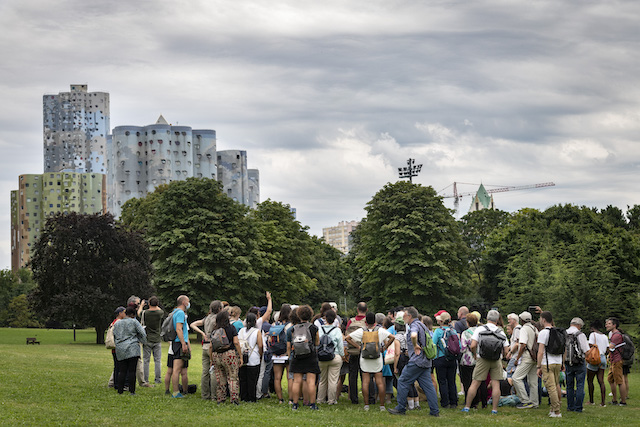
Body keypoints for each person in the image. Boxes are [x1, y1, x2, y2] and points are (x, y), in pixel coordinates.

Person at [387, 307, 440, 417]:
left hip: (417, 361)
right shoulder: (422, 325)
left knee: (402, 381)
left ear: (409, 316)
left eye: (404, 315)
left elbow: (413, 335)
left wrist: (415, 345)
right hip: (426, 360)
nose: (403, 317)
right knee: (428, 386)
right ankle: (435, 411)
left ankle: (401, 408)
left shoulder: (414, 326)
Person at [461, 309, 509, 415]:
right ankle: (494, 409)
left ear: (487, 318)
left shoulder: (480, 329)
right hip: (496, 360)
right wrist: (503, 357)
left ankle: (467, 407)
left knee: (475, 383)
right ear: (497, 320)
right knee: (496, 385)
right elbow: (506, 350)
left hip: (482, 358)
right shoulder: (500, 331)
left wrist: (475, 355)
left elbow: (473, 345)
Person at [346, 312, 395, 411]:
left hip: (365, 358)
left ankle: (366, 405)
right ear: (375, 321)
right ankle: (381, 405)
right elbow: (392, 337)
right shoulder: (380, 330)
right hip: (377, 358)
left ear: (366, 321)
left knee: (365, 381)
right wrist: (384, 347)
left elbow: (348, 338)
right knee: (380, 382)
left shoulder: (361, 331)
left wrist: (358, 347)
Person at [288, 305, 321, 410]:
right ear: (311, 315)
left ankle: (295, 404)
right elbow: (317, 342)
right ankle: (312, 404)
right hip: (310, 356)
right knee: (311, 381)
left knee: (296, 381)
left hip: (297, 356)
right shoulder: (313, 328)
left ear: (298, 315)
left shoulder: (294, 328)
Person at [190, 300, 223, 401]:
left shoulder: (206, 318)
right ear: (219, 309)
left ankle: (205, 395)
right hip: (213, 347)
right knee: (214, 370)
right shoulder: (218, 319)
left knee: (205, 372)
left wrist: (202, 333)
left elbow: (193, 324)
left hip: (205, 346)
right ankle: (214, 395)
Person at [210, 309, 243, 404]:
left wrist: (211, 359)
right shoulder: (231, 328)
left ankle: (220, 398)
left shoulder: (214, 329)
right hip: (229, 355)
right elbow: (236, 342)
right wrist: (240, 356)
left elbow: (211, 346)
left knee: (220, 378)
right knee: (232, 377)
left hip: (216, 355)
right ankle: (234, 399)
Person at [112, 306, 147, 395]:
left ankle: (120, 390)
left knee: (122, 370)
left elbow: (114, 335)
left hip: (120, 349)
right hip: (133, 348)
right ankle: (132, 391)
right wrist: (142, 341)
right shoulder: (134, 322)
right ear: (133, 314)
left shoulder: (117, 323)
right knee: (132, 371)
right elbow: (142, 333)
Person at [537, 311, 563, 418]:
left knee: (550, 387)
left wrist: (538, 366)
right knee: (556, 385)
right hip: (558, 361)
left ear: (543, 319)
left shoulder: (543, 332)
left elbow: (540, 351)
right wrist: (563, 362)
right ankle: (553, 409)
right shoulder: (558, 331)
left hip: (547, 362)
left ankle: (557, 411)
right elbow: (564, 349)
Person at [317, 309, 345, 405]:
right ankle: (331, 400)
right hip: (334, 356)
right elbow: (340, 345)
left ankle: (320, 399)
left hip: (321, 356)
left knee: (322, 380)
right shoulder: (337, 330)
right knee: (333, 380)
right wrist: (342, 355)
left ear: (325, 318)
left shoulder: (320, 329)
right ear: (334, 319)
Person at [432, 311, 459, 408]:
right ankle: (454, 402)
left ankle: (445, 402)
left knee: (442, 381)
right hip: (452, 358)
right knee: (451, 381)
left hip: (441, 357)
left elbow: (433, 343)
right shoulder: (453, 331)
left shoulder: (438, 331)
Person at [513, 311, 539, 409]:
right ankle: (534, 402)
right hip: (535, 357)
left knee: (516, 378)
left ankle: (525, 400)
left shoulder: (524, 329)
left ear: (522, 320)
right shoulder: (534, 328)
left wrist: (518, 358)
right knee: (533, 382)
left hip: (527, 357)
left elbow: (523, 344)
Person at [459, 313, 486, 408]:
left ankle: (471, 402)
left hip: (468, 360)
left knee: (468, 382)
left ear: (467, 323)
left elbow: (462, 348)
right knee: (481, 381)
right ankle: (483, 402)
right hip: (481, 359)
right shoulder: (481, 332)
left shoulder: (465, 333)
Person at [565, 317, 589, 412]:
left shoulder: (564, 333)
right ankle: (578, 407)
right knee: (580, 385)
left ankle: (570, 406)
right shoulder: (580, 334)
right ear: (579, 325)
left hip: (567, 362)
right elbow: (586, 350)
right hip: (579, 362)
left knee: (569, 386)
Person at [169, 295, 191, 398]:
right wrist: (183, 343)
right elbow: (179, 329)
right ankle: (176, 392)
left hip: (177, 342)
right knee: (177, 369)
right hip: (179, 343)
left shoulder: (174, 312)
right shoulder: (180, 313)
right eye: (188, 301)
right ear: (184, 303)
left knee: (182, 369)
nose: (189, 303)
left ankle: (184, 390)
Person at [346, 302, 368, 404]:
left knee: (352, 375)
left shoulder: (351, 321)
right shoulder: (367, 321)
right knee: (364, 375)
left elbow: (346, 335)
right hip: (365, 352)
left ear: (357, 309)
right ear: (366, 310)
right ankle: (367, 397)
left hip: (352, 351)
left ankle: (353, 398)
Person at [238, 312, 263, 402]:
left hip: (242, 357)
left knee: (243, 379)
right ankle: (251, 397)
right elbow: (260, 345)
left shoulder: (241, 331)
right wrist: (260, 355)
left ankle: (243, 396)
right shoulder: (257, 331)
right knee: (252, 379)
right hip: (253, 357)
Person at [271, 303, 293, 404]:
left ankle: (280, 399)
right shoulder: (291, 325)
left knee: (277, 378)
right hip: (287, 353)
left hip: (276, 354)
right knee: (290, 377)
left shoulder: (274, 324)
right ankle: (291, 399)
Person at [141, 296, 164, 386]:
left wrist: (142, 305)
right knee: (157, 360)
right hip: (157, 339)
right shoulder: (160, 313)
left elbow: (139, 313)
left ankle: (145, 379)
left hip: (147, 339)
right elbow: (160, 309)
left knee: (146, 360)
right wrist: (156, 305)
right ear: (157, 304)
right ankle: (157, 379)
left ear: (149, 304)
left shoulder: (145, 313)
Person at [587, 320, 609, 406]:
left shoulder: (593, 335)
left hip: (594, 358)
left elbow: (590, 345)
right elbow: (607, 349)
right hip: (602, 358)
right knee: (601, 381)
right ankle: (603, 402)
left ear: (592, 328)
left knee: (590, 380)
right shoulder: (604, 336)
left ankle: (591, 401)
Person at [606, 317, 627, 406]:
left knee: (619, 381)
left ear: (614, 325)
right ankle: (614, 400)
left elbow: (610, 347)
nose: (606, 325)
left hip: (617, 361)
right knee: (610, 379)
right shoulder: (613, 334)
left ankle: (623, 401)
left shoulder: (617, 335)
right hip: (613, 360)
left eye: (609, 323)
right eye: (606, 323)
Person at [107, 307, 126, 388]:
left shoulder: (113, 322)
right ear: (120, 313)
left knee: (116, 366)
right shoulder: (119, 323)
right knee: (120, 367)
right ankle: (118, 384)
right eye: (124, 312)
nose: (125, 314)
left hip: (114, 348)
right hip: (119, 348)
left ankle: (115, 383)